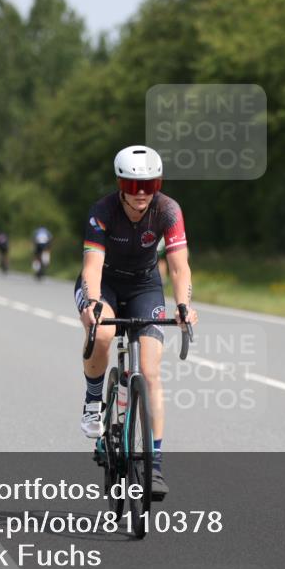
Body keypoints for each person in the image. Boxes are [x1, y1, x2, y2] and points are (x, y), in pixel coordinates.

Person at [75, 145, 197, 497]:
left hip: (145, 286)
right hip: (105, 284)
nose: (141, 193)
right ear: (120, 185)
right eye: (132, 186)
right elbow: (92, 266)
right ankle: (93, 401)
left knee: (151, 371)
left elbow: (179, 267)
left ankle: (154, 466)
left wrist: (184, 305)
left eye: (150, 185)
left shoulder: (168, 210)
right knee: (103, 332)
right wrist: (94, 302)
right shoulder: (102, 212)